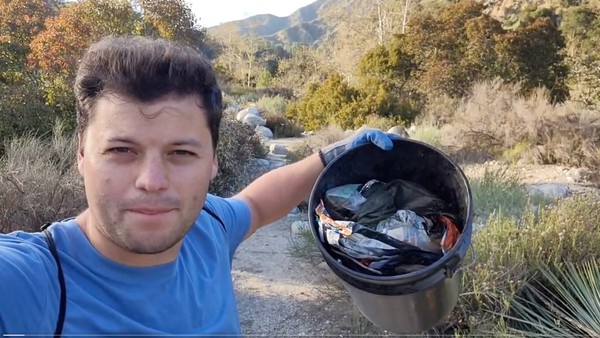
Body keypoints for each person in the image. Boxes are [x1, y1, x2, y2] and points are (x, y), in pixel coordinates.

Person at [0, 35, 400, 335]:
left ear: (212, 162)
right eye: (122, 150)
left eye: (181, 153)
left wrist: (332, 156)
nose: (152, 182)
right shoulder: (33, 283)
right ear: (82, 156)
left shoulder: (208, 225)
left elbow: (258, 204)